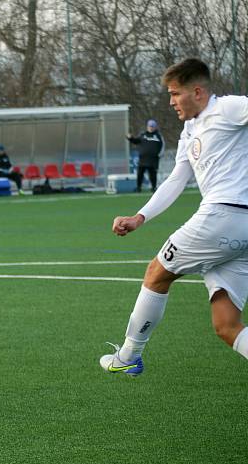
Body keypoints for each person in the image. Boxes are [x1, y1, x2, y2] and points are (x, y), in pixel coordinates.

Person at [100, 57, 248, 376]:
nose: (171, 102)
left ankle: (128, 355)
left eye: (175, 94)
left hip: (223, 214)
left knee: (157, 272)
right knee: (227, 325)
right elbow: (177, 179)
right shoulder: (189, 129)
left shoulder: (229, 108)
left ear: (197, 91)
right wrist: (140, 217)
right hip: (239, 231)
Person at [127, 119, 165, 192]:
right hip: (143, 159)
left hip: (153, 159)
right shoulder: (143, 135)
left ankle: (153, 187)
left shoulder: (158, 136)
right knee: (140, 174)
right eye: (150, 126)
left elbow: (162, 146)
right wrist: (130, 138)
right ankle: (138, 187)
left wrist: (159, 155)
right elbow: (136, 141)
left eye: (152, 126)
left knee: (153, 174)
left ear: (155, 127)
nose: (151, 128)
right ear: (147, 127)